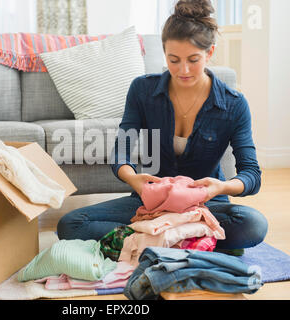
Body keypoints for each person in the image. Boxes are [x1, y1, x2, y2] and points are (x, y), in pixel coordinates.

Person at [57, 0, 268, 255]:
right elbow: (121, 152)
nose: (183, 70)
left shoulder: (234, 104)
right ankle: (190, 239)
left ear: (209, 53)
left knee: (254, 225)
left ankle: (154, 238)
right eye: (174, 59)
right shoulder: (143, 90)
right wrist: (133, 178)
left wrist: (221, 187)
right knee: (70, 224)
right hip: (151, 203)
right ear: (164, 52)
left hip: (204, 205)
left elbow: (252, 175)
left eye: (193, 59)